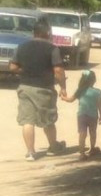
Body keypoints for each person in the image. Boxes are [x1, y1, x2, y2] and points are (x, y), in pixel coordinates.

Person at [10, 18, 67, 160]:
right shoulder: (52, 49)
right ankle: (53, 147)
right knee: (48, 120)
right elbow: (59, 71)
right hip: (44, 89)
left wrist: (26, 71)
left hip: (25, 87)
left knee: (27, 120)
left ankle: (31, 152)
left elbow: (13, 67)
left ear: (34, 33)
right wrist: (63, 87)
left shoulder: (22, 47)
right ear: (47, 33)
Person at [61, 70, 101, 160]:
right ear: (94, 80)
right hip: (93, 116)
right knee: (93, 133)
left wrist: (63, 98)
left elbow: (70, 100)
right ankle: (92, 149)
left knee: (82, 134)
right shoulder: (98, 92)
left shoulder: (80, 91)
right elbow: (100, 105)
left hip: (82, 116)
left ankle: (82, 153)